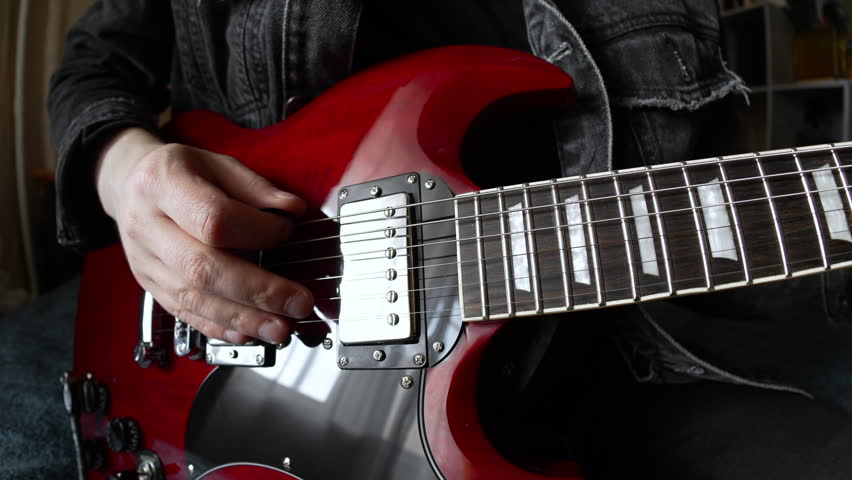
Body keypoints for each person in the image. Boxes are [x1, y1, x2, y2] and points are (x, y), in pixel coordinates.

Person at [38, 0, 852, 478]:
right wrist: (124, 170)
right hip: (269, 367)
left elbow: (706, 212)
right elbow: (95, 67)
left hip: (614, 357)